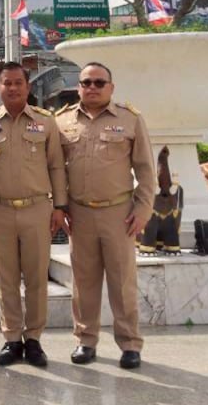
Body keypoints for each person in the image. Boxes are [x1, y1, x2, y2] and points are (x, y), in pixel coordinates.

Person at [55, 62, 155, 369]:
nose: (92, 87)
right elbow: (55, 170)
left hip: (118, 213)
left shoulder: (130, 119)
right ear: (79, 87)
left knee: (122, 282)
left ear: (111, 87)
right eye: (86, 82)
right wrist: (59, 206)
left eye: (99, 82)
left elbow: (146, 170)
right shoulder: (62, 121)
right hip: (80, 214)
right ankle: (86, 341)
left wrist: (143, 210)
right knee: (83, 282)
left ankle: (130, 344)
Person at [0, 62, 67, 367]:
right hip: (0, 208)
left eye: (19, 82)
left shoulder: (45, 122)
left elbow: (56, 165)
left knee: (36, 278)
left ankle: (34, 339)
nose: (13, 88)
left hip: (37, 209)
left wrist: (60, 206)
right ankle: (12, 339)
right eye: (7, 83)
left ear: (28, 87)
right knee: (6, 278)